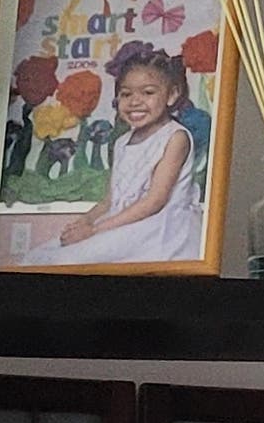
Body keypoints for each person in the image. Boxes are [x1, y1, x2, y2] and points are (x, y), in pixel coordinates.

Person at [43, 42, 202, 262]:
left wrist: (95, 231)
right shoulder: (121, 142)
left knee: (72, 259)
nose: (135, 101)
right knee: (45, 257)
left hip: (158, 228)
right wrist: (86, 221)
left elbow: (154, 202)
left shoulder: (175, 137)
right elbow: (109, 201)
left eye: (148, 92)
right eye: (126, 94)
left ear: (172, 95)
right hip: (119, 222)